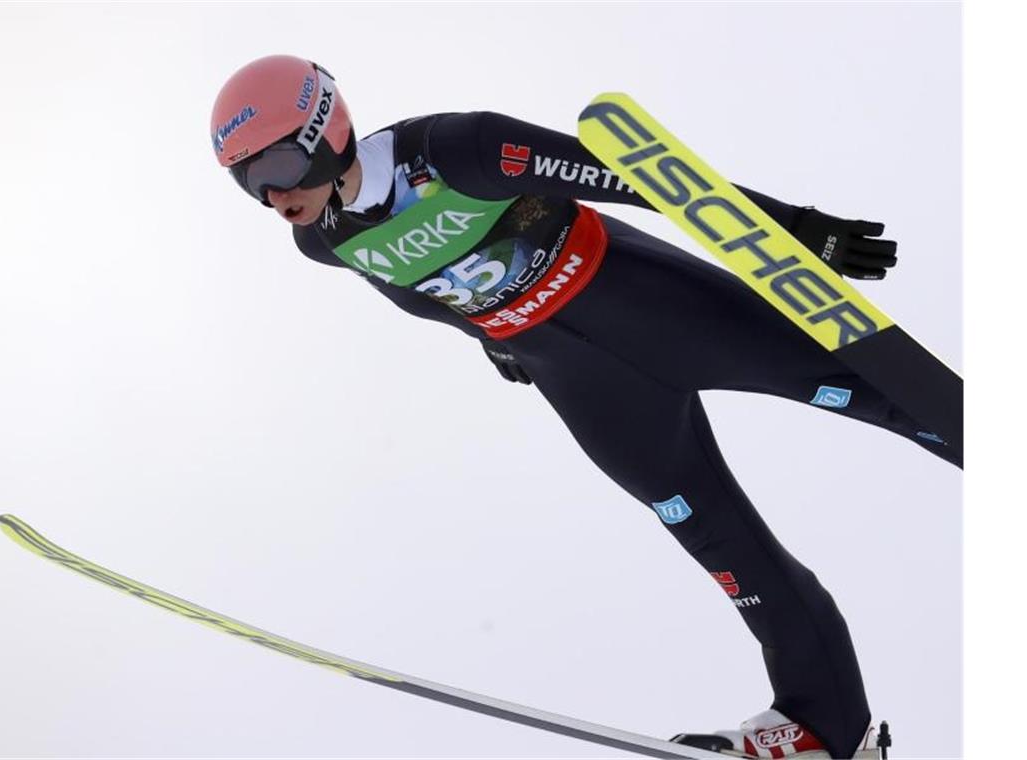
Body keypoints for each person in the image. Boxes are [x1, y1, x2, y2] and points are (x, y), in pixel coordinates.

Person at [210, 54, 955, 760]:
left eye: (275, 168)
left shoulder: (454, 151)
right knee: (725, 549)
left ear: (324, 131)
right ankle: (823, 724)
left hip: (658, 308)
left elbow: (640, 180)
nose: (273, 198)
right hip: (586, 386)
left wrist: (791, 225)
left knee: (889, 394)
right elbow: (417, 290)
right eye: (249, 184)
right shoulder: (325, 241)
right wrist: (489, 337)